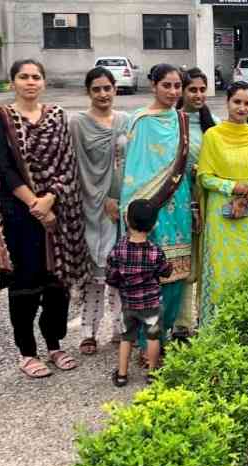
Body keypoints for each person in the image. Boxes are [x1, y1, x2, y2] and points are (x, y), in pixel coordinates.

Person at [0, 59, 91, 378]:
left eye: (35, 77)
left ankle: (55, 344)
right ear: (13, 82)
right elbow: (3, 167)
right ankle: (27, 352)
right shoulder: (1, 116)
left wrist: (50, 199)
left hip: (58, 210)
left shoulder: (57, 116)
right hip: (19, 213)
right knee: (25, 285)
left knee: (57, 284)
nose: (30, 82)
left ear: (43, 82)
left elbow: (67, 163)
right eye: (23, 77)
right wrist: (34, 203)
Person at [196, 81, 248, 325]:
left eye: (247, 104)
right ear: (227, 103)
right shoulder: (213, 135)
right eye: (237, 102)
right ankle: (215, 328)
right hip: (221, 216)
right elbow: (204, 176)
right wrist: (234, 187)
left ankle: (247, 328)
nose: (242, 108)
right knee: (221, 271)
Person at [120, 63, 191, 342]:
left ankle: (164, 335)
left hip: (179, 202)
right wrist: (139, 207)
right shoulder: (139, 120)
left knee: (176, 272)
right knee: (146, 276)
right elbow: (131, 169)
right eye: (167, 85)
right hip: (148, 207)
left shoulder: (181, 119)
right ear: (153, 85)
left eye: (177, 86)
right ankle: (143, 341)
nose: (173, 92)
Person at [70, 66, 130, 355]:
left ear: (115, 89)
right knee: (95, 273)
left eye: (107, 88)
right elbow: (75, 166)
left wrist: (119, 198)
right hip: (91, 207)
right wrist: (101, 198)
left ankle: (120, 328)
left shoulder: (126, 121)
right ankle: (88, 331)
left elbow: (131, 162)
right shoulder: (78, 124)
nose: (103, 94)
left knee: (119, 270)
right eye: (97, 89)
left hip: (122, 207)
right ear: (88, 92)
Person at [171, 67, 220, 339]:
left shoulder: (213, 122)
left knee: (205, 262)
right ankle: (182, 325)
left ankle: (206, 319)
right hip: (178, 203)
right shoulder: (171, 122)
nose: (199, 95)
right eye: (193, 90)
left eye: (203, 89)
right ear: (182, 91)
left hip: (207, 201)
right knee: (182, 264)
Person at [106, 199, 172, 386]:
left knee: (127, 338)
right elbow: (164, 271)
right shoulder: (155, 251)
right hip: (151, 304)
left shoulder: (118, 249)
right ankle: (152, 373)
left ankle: (122, 374)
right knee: (153, 337)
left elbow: (111, 276)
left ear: (126, 220)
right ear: (153, 225)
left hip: (129, 304)